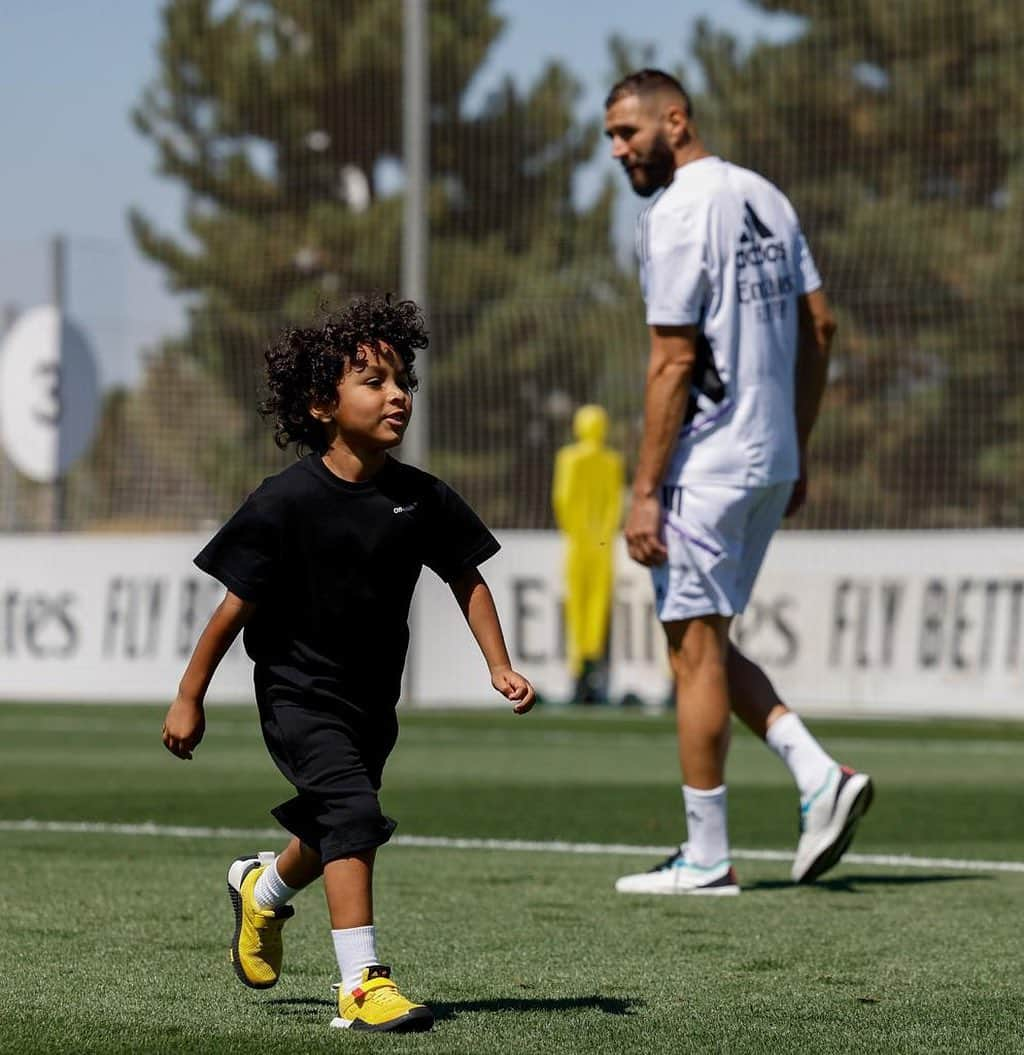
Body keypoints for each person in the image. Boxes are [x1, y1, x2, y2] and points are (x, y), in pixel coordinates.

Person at [160, 294, 535, 1031]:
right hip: (299, 695)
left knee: (335, 825)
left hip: (372, 702)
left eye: (404, 382)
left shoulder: (420, 498)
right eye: (375, 381)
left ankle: (261, 891)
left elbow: (467, 574)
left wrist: (499, 663)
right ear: (322, 403)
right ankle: (361, 982)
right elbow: (232, 610)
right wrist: (188, 696)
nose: (397, 394)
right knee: (355, 812)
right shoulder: (283, 502)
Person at [604, 69, 872, 895]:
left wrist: (645, 488)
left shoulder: (677, 214)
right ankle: (816, 772)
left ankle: (706, 855)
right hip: (769, 456)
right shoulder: (766, 194)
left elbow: (673, 360)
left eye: (628, 132)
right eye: (611, 138)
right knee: (706, 641)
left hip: (708, 465)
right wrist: (796, 437)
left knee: (691, 647)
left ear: (675, 121)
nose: (618, 151)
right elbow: (820, 324)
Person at [552, 404, 624, 703]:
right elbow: (614, 504)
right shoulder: (612, 461)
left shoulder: (570, 458)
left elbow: (563, 498)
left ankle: (580, 670)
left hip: (579, 544)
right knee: (596, 609)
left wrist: (575, 532)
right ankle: (592, 666)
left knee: (578, 610)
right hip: (601, 546)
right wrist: (602, 534)